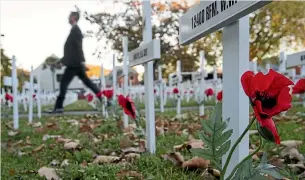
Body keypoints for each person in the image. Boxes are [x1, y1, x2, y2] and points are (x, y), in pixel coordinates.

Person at [48, 11, 102, 114]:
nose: (68, 18)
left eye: (69, 16)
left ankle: (59, 107)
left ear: (73, 17)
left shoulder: (76, 30)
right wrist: (60, 62)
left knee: (64, 83)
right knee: (89, 83)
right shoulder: (74, 30)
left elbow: (78, 48)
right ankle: (105, 101)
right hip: (75, 64)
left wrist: (82, 61)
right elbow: (70, 52)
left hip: (74, 65)